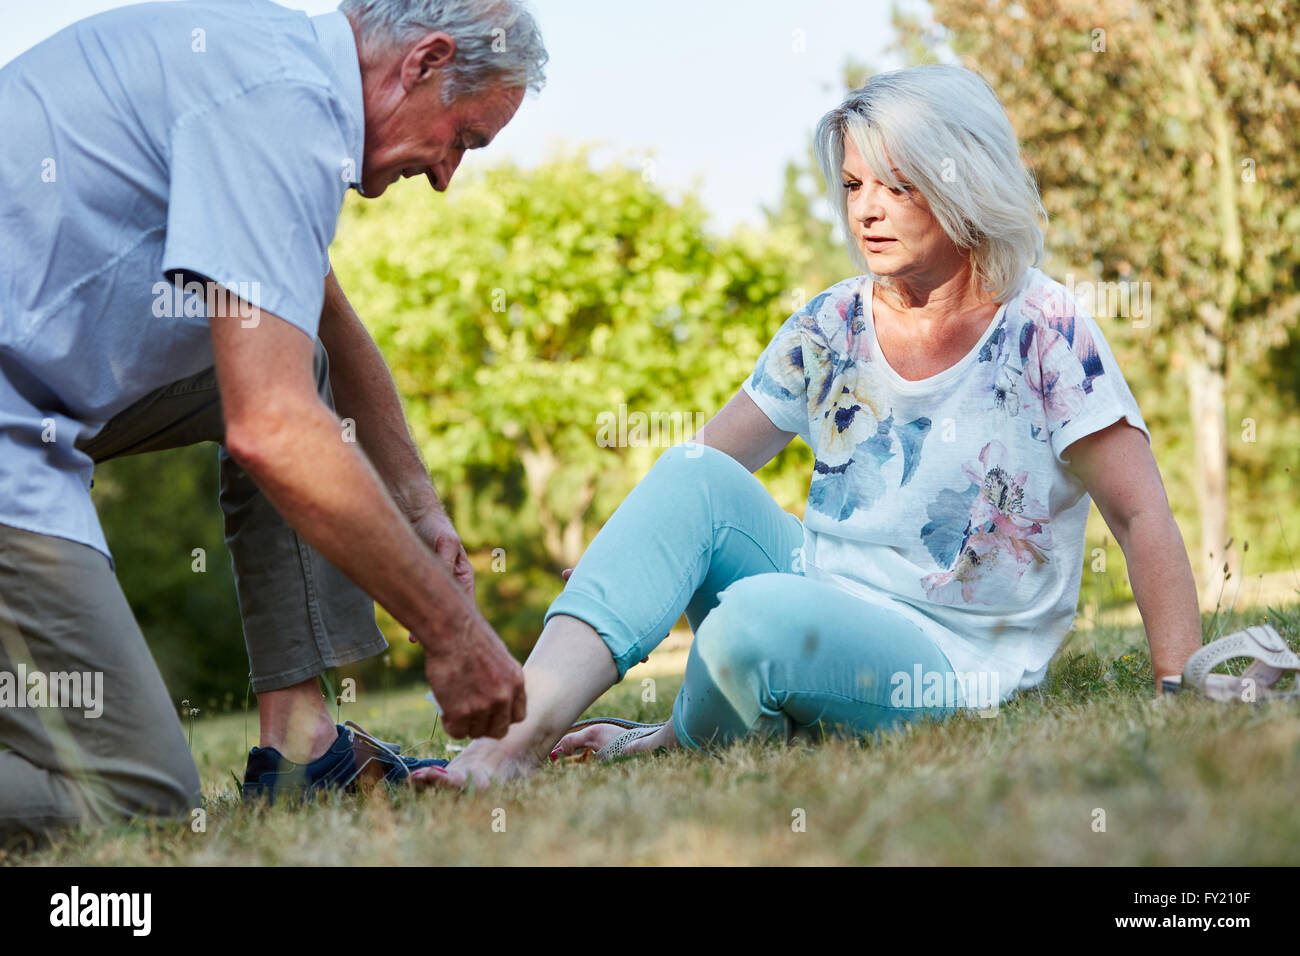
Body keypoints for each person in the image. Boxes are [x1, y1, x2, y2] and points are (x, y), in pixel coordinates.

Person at [413, 63, 1204, 789]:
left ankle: (665, 741)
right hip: (822, 589)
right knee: (694, 482)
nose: (866, 209)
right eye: (855, 184)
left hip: (950, 659)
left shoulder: (1048, 328)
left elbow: (1139, 516)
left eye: (896, 186)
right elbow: (704, 473)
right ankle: (509, 744)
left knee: (751, 621)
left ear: (964, 182)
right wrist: (623, 559)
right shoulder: (832, 322)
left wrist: (1181, 684)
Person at [0, 0, 546, 843]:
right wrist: (453, 634)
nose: (446, 176)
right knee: (138, 800)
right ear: (425, 61)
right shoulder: (283, 102)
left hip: (31, 396)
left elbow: (320, 315)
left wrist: (417, 504)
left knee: (288, 363)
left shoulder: (270, 66)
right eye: (463, 139)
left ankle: (303, 749)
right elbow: (273, 427)